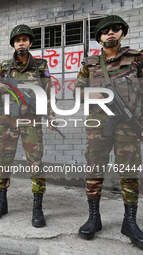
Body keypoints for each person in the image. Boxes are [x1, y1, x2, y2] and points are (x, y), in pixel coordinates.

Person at [74, 15, 143, 248]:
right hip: (98, 125)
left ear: (122, 32)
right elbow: (78, 94)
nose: (110, 33)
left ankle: (130, 222)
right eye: (105, 31)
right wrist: (102, 95)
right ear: (99, 38)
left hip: (129, 125)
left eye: (115, 29)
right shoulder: (89, 64)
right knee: (94, 169)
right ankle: (94, 218)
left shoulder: (137, 59)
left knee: (130, 171)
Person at [0, 25, 55, 227]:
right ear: (13, 44)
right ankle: (2, 203)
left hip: (31, 123)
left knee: (35, 162)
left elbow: (48, 91)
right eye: (18, 40)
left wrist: (50, 115)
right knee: (4, 161)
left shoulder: (40, 66)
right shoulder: (5, 66)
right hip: (8, 123)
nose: (21, 43)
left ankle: (37, 208)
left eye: (25, 40)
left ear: (30, 43)